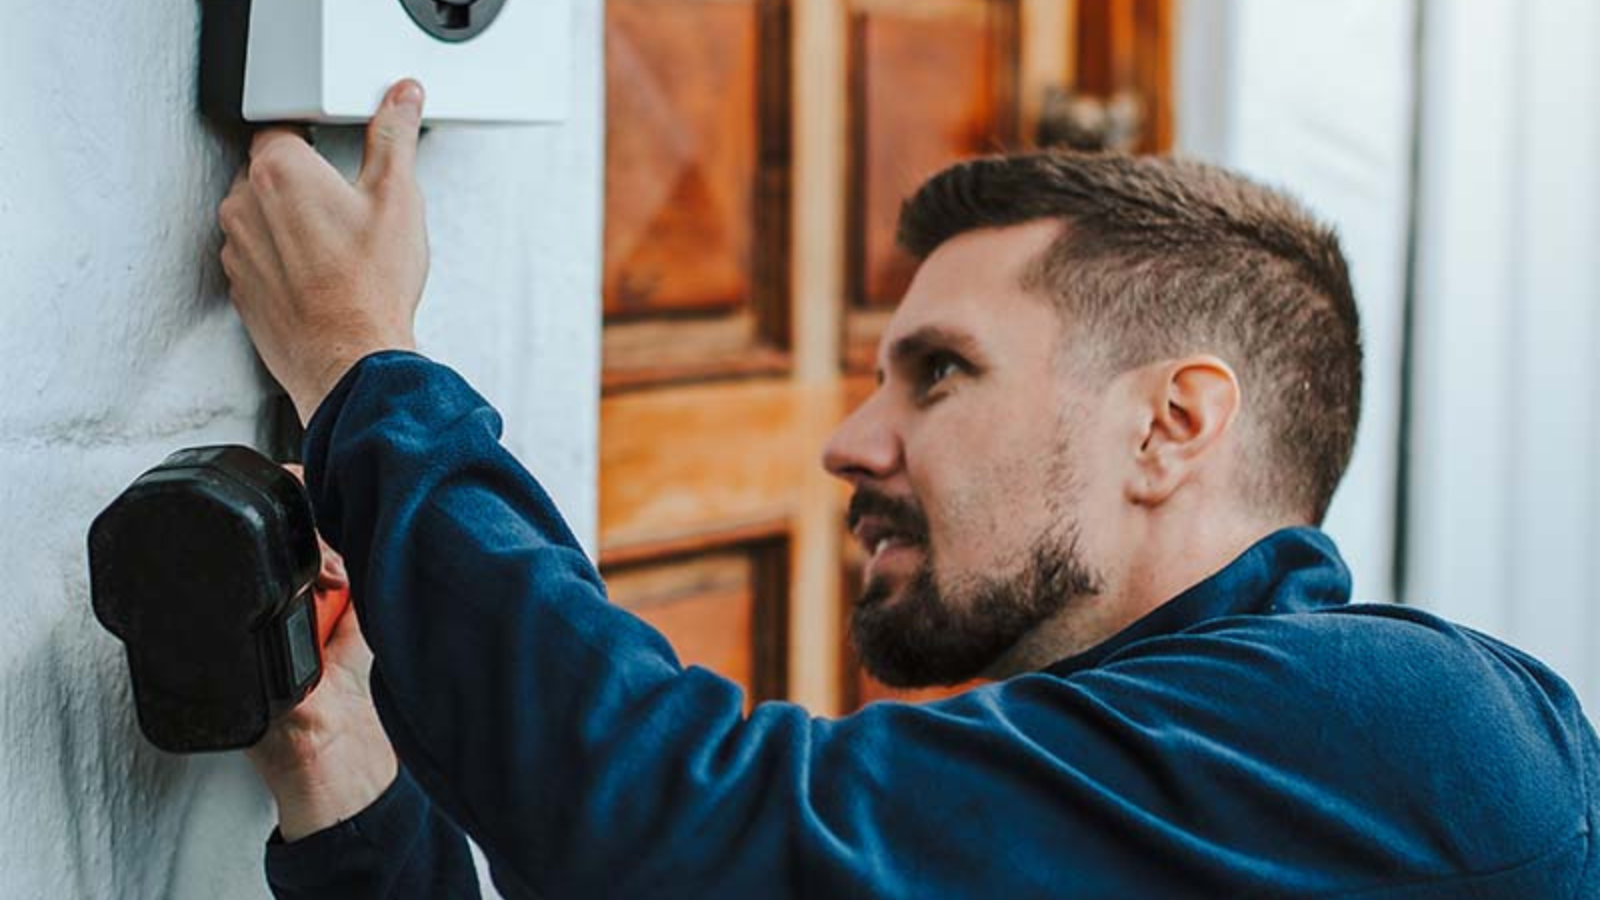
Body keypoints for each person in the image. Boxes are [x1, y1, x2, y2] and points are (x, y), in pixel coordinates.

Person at [220, 81, 1600, 899]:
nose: (849, 442)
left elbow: (677, 839)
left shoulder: (1427, 736)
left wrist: (359, 361)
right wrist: (350, 778)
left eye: (938, 374)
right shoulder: (1131, 795)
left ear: (1173, 425)